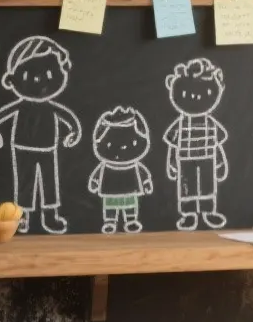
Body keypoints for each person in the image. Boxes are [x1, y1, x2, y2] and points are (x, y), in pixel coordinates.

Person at [0, 36, 81, 234]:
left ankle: (50, 216)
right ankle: (23, 217)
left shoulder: (51, 107)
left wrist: (74, 130)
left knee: (49, 183)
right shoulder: (21, 105)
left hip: (47, 148)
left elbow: (68, 119)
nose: (40, 81)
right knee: (25, 183)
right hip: (22, 148)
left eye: (50, 74)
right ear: (12, 80)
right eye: (29, 76)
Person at [162, 58, 229, 230]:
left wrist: (220, 163)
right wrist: (171, 162)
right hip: (185, 160)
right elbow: (173, 145)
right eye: (184, 94)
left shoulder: (211, 124)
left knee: (207, 185)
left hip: (208, 159)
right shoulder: (180, 124)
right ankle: (189, 214)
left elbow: (217, 145)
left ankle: (208, 211)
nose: (195, 97)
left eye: (206, 93)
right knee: (187, 187)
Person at [88, 106, 153, 234]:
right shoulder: (105, 166)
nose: (122, 148)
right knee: (110, 204)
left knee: (130, 203)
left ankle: (131, 220)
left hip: (129, 186)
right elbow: (97, 174)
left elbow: (143, 173)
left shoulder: (134, 166)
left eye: (132, 143)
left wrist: (146, 183)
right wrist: (95, 182)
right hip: (109, 186)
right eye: (110, 145)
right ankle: (110, 222)